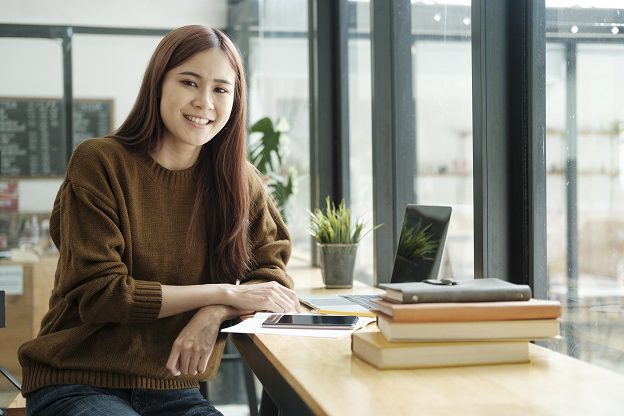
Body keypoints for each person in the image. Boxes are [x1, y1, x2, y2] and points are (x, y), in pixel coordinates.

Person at [18, 25, 300, 416]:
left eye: (221, 89)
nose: (205, 102)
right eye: (189, 82)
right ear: (158, 84)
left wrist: (215, 311)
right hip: (76, 381)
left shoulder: (239, 180)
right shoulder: (100, 162)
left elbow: (273, 279)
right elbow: (102, 295)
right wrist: (228, 294)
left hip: (175, 391)